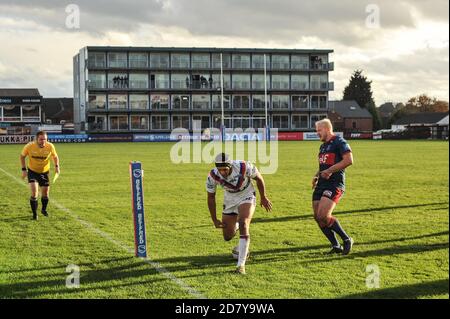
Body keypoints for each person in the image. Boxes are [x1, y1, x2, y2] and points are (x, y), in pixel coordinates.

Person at [206, 153, 272, 274]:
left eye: (225, 169)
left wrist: (263, 197)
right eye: (220, 169)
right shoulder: (212, 175)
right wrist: (214, 219)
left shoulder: (243, 166)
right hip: (230, 199)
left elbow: (259, 178)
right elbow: (211, 197)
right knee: (227, 236)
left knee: (244, 223)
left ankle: (240, 266)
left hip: (247, 194)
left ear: (230, 166)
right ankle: (236, 227)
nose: (222, 172)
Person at [312, 119, 354, 255]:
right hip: (321, 184)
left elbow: (349, 160)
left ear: (326, 129)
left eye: (319, 130)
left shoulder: (339, 142)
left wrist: (330, 171)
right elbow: (324, 166)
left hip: (334, 184)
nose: (317, 133)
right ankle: (336, 246)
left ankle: (347, 239)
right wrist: (317, 175)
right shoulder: (323, 146)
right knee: (318, 217)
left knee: (323, 215)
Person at [20, 131, 60, 220]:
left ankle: (43, 209)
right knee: (34, 193)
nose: (43, 141)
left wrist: (57, 166)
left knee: (45, 194)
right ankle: (34, 215)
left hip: (44, 172)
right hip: (32, 172)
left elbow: (55, 156)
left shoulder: (50, 146)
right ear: (36, 139)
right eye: (41, 139)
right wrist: (23, 170)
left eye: (45, 139)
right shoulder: (29, 146)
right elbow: (22, 156)